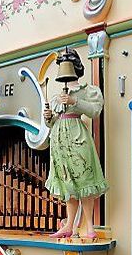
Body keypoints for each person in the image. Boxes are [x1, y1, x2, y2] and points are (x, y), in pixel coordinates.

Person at [43, 48, 108, 239]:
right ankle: (69, 224)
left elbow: (95, 111)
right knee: (67, 184)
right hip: (59, 140)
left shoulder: (88, 90)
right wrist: (49, 118)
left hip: (77, 137)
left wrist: (75, 100)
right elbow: (53, 121)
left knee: (83, 180)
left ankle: (89, 226)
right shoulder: (57, 95)